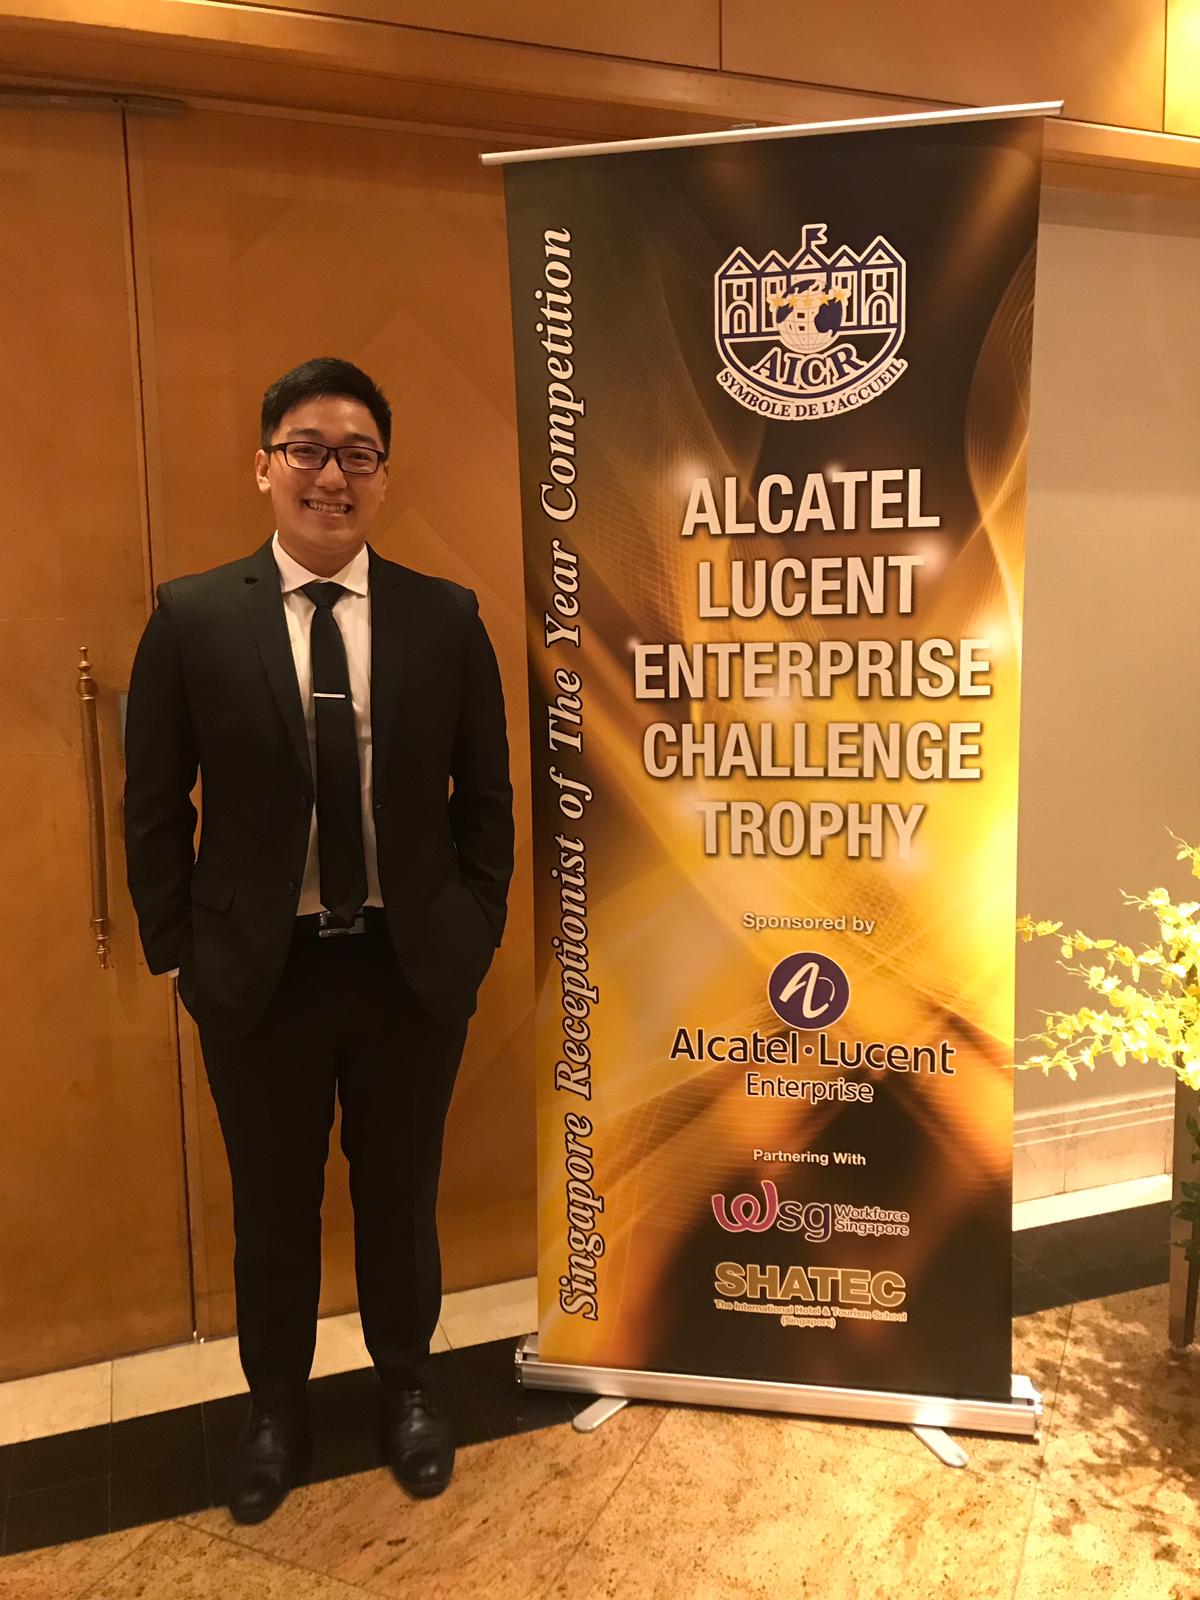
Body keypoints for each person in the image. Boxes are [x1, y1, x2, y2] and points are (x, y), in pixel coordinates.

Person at [124, 356, 514, 1523]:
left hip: (407, 965)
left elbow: (487, 796)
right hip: (261, 974)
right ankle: (274, 1409)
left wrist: (476, 923)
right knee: (273, 1206)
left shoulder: (446, 618)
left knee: (400, 1197)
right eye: (306, 449)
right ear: (264, 466)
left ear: (383, 476)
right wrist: (181, 951)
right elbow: (154, 802)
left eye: (356, 454)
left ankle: (409, 1387)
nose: (330, 475)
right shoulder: (194, 616)